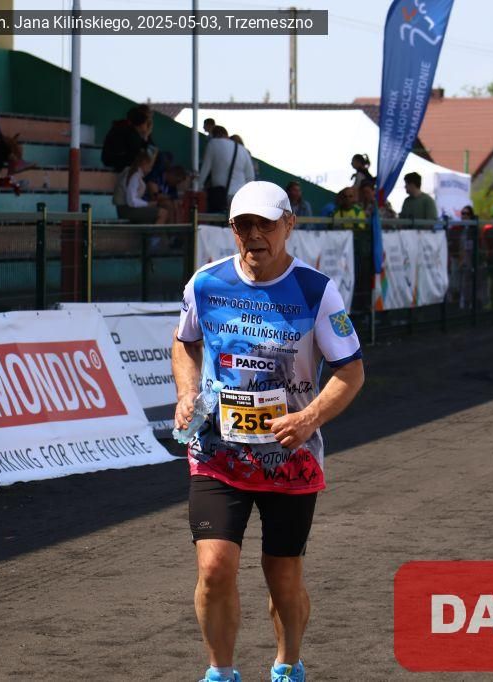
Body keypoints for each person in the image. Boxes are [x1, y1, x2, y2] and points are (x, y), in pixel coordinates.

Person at [172, 180, 365, 682]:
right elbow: (185, 342)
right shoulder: (206, 284)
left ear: (289, 225)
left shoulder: (317, 292)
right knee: (214, 568)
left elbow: (350, 371)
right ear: (231, 229)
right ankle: (220, 672)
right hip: (217, 451)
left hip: (289, 457)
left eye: (265, 224)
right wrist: (187, 392)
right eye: (243, 225)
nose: (254, 234)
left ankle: (287, 666)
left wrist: (308, 419)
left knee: (282, 575)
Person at [199, 126, 254, 213]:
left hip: (221, 195)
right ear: (227, 135)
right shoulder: (242, 149)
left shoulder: (213, 144)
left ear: (213, 135)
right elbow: (250, 176)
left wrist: (199, 186)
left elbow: (205, 169)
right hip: (241, 195)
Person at [114, 149, 167, 224]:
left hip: (129, 208)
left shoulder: (137, 175)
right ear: (144, 164)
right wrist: (147, 204)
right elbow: (131, 201)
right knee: (163, 213)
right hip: (126, 210)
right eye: (150, 167)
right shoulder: (134, 176)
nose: (150, 169)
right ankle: (155, 232)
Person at [102, 105, 154, 172]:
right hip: (115, 163)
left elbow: (150, 150)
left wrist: (146, 136)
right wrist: (145, 136)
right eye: (147, 122)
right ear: (142, 124)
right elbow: (140, 153)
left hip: (119, 161)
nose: (149, 125)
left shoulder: (132, 130)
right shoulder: (127, 130)